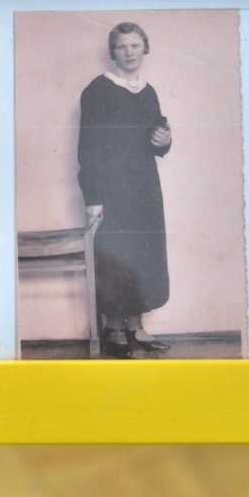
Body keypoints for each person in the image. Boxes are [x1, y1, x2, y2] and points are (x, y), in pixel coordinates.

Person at [77, 22, 175, 359]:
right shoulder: (97, 90)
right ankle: (115, 330)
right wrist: (94, 198)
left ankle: (136, 327)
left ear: (144, 48)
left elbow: (155, 140)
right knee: (115, 254)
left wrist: (165, 140)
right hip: (111, 186)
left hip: (145, 186)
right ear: (113, 51)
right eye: (122, 46)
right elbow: (87, 147)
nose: (129, 52)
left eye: (135, 45)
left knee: (144, 253)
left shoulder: (148, 92)